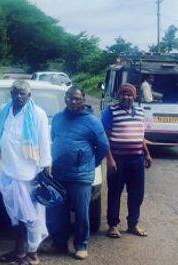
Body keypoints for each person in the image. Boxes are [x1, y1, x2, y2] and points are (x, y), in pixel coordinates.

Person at [44, 86, 109, 260]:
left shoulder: (92, 121)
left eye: (77, 99)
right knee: (58, 212)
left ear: (83, 100)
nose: (74, 101)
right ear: (65, 99)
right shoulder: (57, 119)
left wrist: (90, 164)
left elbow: (103, 146)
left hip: (81, 177)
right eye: (71, 98)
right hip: (59, 175)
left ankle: (81, 245)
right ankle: (59, 244)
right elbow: (54, 139)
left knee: (81, 213)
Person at [0, 80, 51, 265]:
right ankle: (19, 252)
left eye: (23, 94)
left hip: (29, 175)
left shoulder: (38, 114)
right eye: (16, 93)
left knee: (32, 217)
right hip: (8, 173)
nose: (19, 97)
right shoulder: (6, 109)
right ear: (11, 93)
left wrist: (44, 170)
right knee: (16, 217)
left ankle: (33, 253)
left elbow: (44, 143)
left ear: (29, 95)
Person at [102, 83, 153, 239]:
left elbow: (140, 136)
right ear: (118, 95)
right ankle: (113, 225)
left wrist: (147, 154)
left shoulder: (140, 112)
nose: (126, 96)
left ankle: (133, 224)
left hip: (136, 159)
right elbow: (104, 137)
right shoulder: (110, 112)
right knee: (115, 192)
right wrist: (109, 159)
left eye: (129, 94)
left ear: (134, 96)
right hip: (117, 159)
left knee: (137, 194)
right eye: (123, 93)